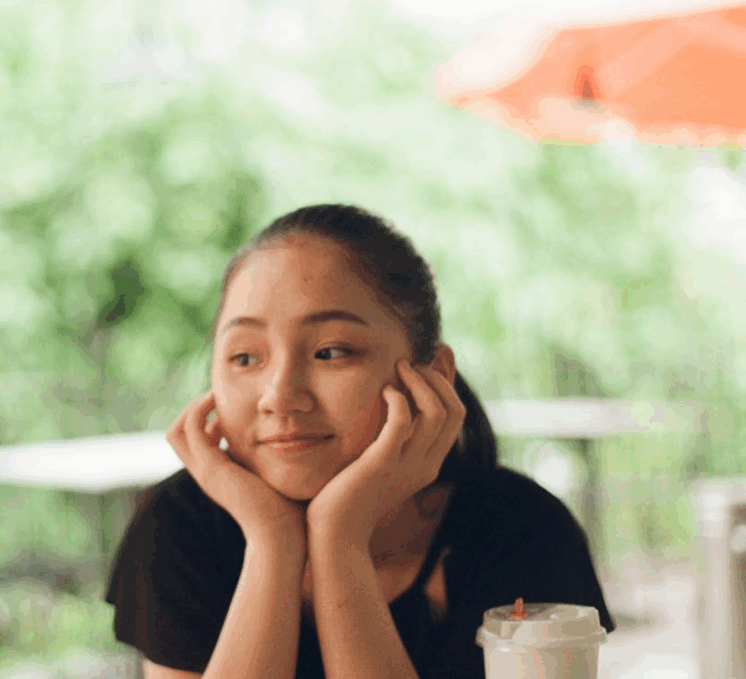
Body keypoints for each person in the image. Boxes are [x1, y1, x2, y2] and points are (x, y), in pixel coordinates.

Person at [105, 204, 616, 678]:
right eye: (245, 357)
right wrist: (273, 544)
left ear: (430, 375)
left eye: (331, 351)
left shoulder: (524, 533)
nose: (279, 396)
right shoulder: (179, 524)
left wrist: (338, 537)